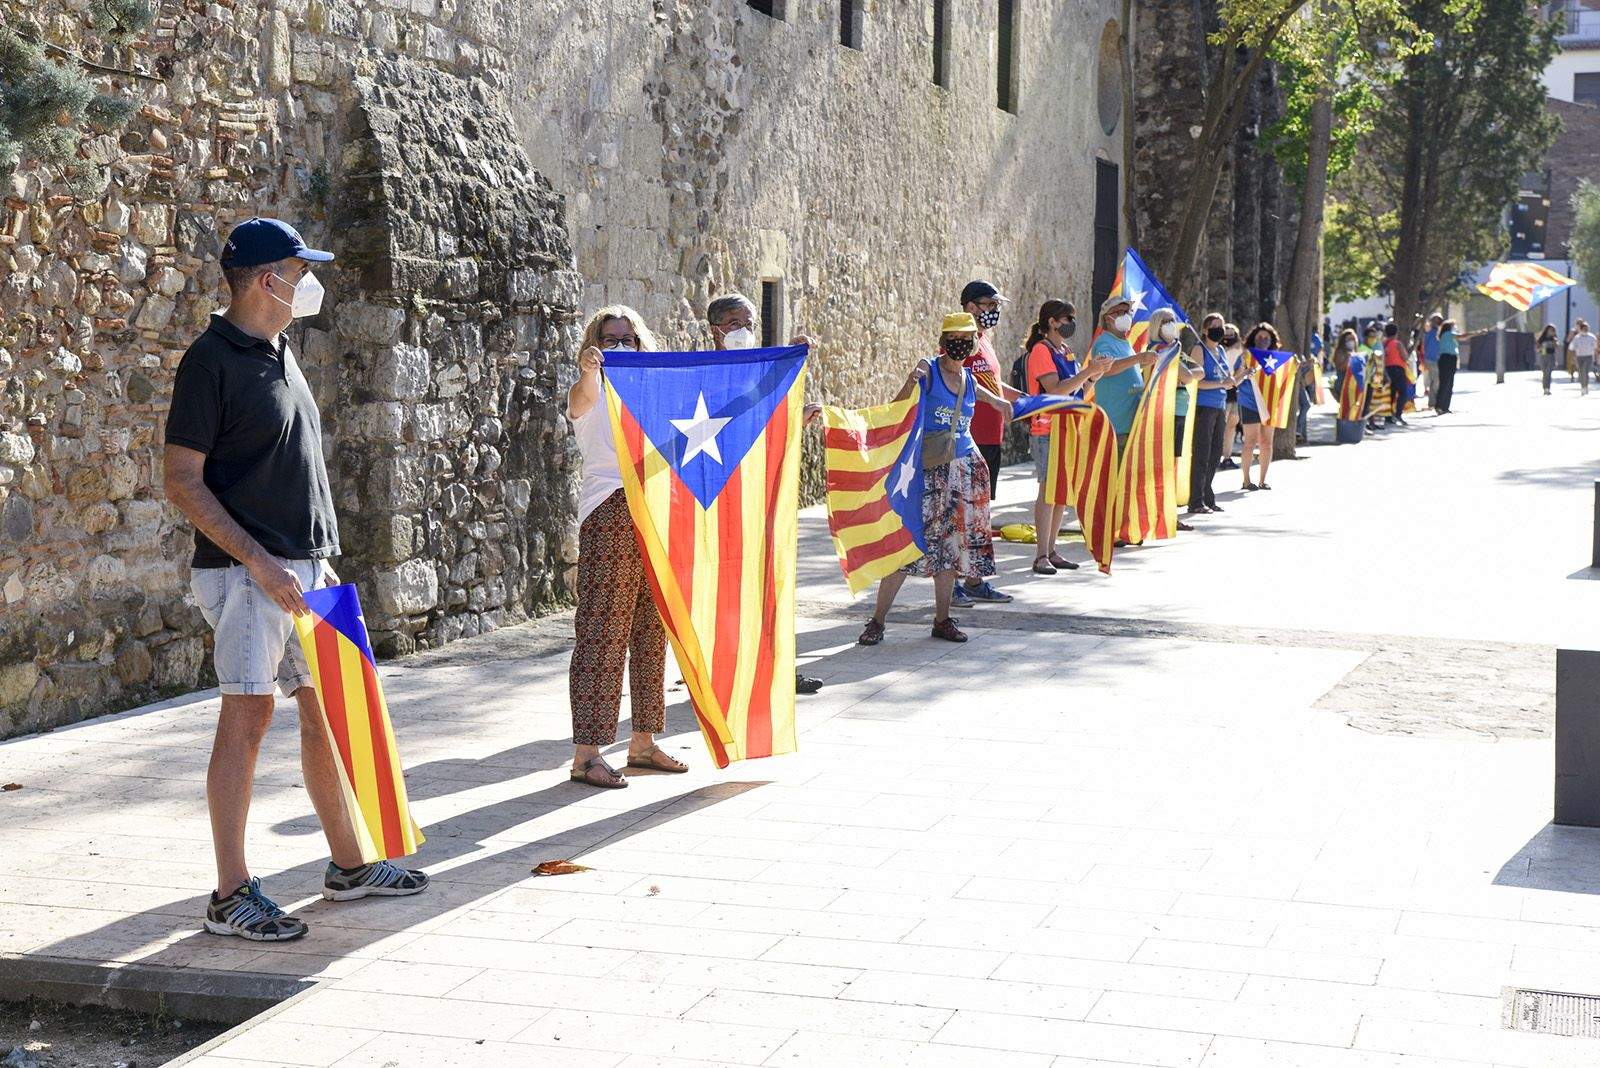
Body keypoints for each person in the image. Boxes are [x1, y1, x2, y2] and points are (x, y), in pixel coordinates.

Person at [162, 219, 428, 942]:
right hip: (251, 575)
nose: (309, 281)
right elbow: (182, 480)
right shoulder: (210, 361)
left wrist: (317, 559)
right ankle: (229, 895)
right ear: (264, 279)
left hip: (307, 569)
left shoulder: (281, 349)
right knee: (248, 719)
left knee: (328, 710)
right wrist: (259, 561)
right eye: (299, 269)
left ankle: (349, 866)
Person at [564, 306, 686, 790]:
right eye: (608, 338)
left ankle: (643, 742)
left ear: (641, 344)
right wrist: (588, 370)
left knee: (652, 631)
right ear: (593, 345)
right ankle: (586, 754)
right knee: (603, 633)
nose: (618, 346)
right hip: (610, 511)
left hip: (654, 508)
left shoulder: (652, 394)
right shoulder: (590, 390)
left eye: (627, 339)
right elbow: (581, 397)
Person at [858, 313, 1010, 646]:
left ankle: (942, 620)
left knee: (950, 550)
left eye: (966, 339)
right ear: (943, 342)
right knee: (907, 546)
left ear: (973, 344)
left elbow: (978, 392)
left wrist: (999, 402)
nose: (960, 345)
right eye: (954, 339)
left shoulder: (968, 378)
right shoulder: (928, 370)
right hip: (927, 475)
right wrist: (910, 382)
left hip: (962, 474)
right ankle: (877, 621)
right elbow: (897, 409)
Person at [705, 294, 827, 695]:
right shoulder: (702, 375)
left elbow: (764, 425)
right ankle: (724, 676)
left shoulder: (758, 373)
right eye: (735, 323)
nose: (744, 331)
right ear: (716, 329)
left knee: (770, 584)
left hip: (759, 497)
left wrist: (797, 419)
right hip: (721, 500)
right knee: (726, 593)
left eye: (750, 324)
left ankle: (778, 670)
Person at [1020, 299, 1110, 573]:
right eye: (1067, 318)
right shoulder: (1041, 350)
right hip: (1047, 429)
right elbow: (1055, 390)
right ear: (1051, 321)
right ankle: (1041, 555)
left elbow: (1077, 392)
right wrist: (1087, 371)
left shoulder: (1065, 351)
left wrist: (1093, 376)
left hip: (1068, 428)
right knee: (1048, 490)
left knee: (1060, 492)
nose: (1071, 323)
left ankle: (1051, 550)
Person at [955, 280, 1017, 606]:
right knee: (962, 513)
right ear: (970, 306)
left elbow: (993, 383)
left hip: (992, 437)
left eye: (996, 306)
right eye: (989, 304)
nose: (994, 311)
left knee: (981, 513)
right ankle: (952, 583)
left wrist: (1022, 399)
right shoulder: (959, 339)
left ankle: (975, 580)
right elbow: (957, 380)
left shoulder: (984, 340)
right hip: (970, 438)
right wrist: (994, 400)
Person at [1145, 308, 1199, 530]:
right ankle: (1162, 515)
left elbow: (1198, 372)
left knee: (1171, 466)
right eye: (1165, 321)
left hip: (1178, 410)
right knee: (1165, 467)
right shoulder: (1160, 350)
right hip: (1165, 412)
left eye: (1173, 320)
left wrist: (1182, 377)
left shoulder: (1174, 349)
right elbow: (1188, 376)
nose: (1171, 324)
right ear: (1156, 326)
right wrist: (1182, 377)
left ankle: (1168, 514)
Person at [1186, 313, 1234, 516]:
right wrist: (1221, 384)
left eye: (1221, 326)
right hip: (1203, 407)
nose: (1218, 329)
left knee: (1215, 454)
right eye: (1214, 326)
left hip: (1220, 406)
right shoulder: (1199, 349)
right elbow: (1196, 381)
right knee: (1202, 453)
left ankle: (1208, 495)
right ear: (1205, 330)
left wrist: (1234, 379)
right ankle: (1195, 500)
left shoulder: (1220, 350)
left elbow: (1226, 377)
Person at [1236, 322, 1282, 491]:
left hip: (1269, 404)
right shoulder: (1246, 356)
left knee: (1267, 442)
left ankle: (1263, 480)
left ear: (1272, 340)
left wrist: (1295, 365)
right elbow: (1235, 378)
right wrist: (1244, 371)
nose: (1263, 339)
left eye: (1267, 337)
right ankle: (1246, 480)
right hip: (1249, 402)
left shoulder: (1277, 358)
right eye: (1260, 337)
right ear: (1253, 338)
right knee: (1251, 440)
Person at [1218, 323, 1243, 469]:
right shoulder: (1218, 351)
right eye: (1226, 333)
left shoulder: (1239, 351)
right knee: (1221, 424)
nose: (1229, 336)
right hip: (1222, 389)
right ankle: (1215, 456)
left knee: (1232, 424)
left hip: (1234, 391)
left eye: (1232, 334)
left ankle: (1227, 457)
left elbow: (1239, 370)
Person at [1360, 323, 1387, 432]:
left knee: (1369, 403)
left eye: (1374, 337)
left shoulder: (1373, 349)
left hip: (1371, 381)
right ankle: (1363, 424)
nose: (1373, 339)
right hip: (1362, 382)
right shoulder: (1361, 349)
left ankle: (1369, 423)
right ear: (1365, 337)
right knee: (1364, 404)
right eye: (1370, 336)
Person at [1435, 319, 1466, 413]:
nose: (1455, 328)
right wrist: (1476, 333)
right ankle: (1439, 406)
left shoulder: (1448, 336)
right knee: (1445, 383)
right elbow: (1462, 336)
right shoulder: (1447, 334)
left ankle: (1445, 407)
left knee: (1449, 383)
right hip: (1447, 358)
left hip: (1451, 359)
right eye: (1453, 326)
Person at [1382, 321, 1409, 425]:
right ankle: (1398, 414)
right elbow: (1405, 357)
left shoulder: (1384, 344)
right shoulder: (1397, 343)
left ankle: (1388, 416)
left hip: (1387, 370)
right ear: (1396, 332)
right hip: (1398, 369)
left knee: (1390, 394)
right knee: (1403, 393)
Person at [1568, 319, 1596, 396]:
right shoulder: (1577, 337)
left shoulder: (1592, 337)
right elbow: (1571, 347)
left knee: (1585, 371)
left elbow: (1595, 347)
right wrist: (1573, 357)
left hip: (1589, 357)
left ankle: (1585, 386)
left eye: (1587, 328)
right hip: (1579, 357)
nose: (1586, 330)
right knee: (1581, 372)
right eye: (1584, 328)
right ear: (1581, 329)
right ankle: (1583, 387)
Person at [1420, 314, 1442, 410]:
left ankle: (1432, 402)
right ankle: (1437, 402)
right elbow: (1424, 347)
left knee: (1434, 381)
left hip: (1437, 359)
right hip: (1431, 359)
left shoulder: (1440, 333)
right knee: (1436, 381)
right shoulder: (1429, 334)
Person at [1536, 323, 1560, 395]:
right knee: (1544, 373)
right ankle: (1545, 388)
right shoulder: (1542, 338)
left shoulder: (1554, 339)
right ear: (1547, 330)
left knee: (1548, 373)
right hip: (1543, 356)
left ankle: (1547, 389)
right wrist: (1542, 347)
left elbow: (1557, 349)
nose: (1551, 332)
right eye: (1550, 330)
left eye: (1553, 330)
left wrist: (1557, 360)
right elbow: (1537, 349)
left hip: (1551, 357)